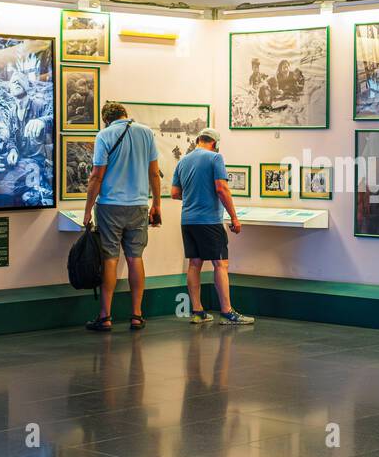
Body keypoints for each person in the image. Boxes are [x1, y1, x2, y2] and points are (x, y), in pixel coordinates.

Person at [82, 101, 161, 332]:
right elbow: (154, 172)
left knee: (110, 259)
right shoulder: (146, 133)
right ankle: (137, 315)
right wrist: (156, 203)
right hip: (138, 205)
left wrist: (87, 210)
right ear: (126, 115)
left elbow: (96, 176)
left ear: (106, 119)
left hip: (110, 206)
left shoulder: (104, 135)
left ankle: (105, 316)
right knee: (135, 258)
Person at [170, 128, 254, 325]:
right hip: (209, 221)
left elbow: (175, 193)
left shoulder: (183, 161)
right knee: (220, 264)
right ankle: (227, 312)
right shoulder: (215, 158)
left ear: (198, 140)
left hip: (188, 220)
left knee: (194, 264)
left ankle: (198, 312)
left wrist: (193, 196)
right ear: (215, 143)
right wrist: (234, 217)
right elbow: (222, 188)